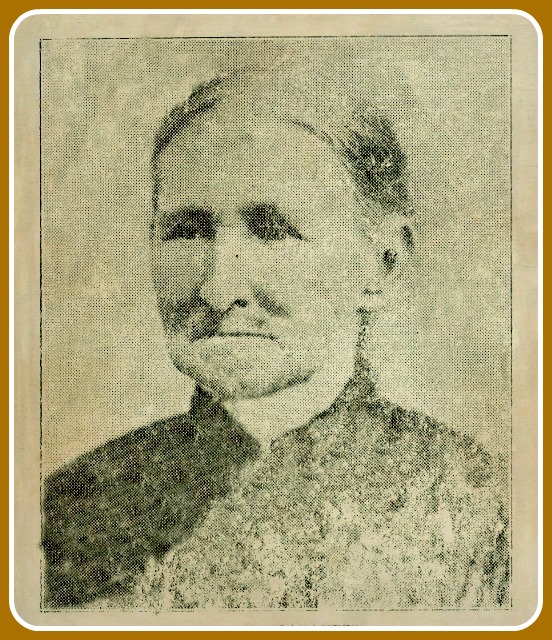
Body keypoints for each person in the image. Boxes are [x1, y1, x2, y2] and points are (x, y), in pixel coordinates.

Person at [42, 66, 509, 610]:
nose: (218, 289)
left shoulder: (474, 502)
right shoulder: (74, 508)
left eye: (272, 231)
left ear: (381, 264)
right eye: (186, 231)